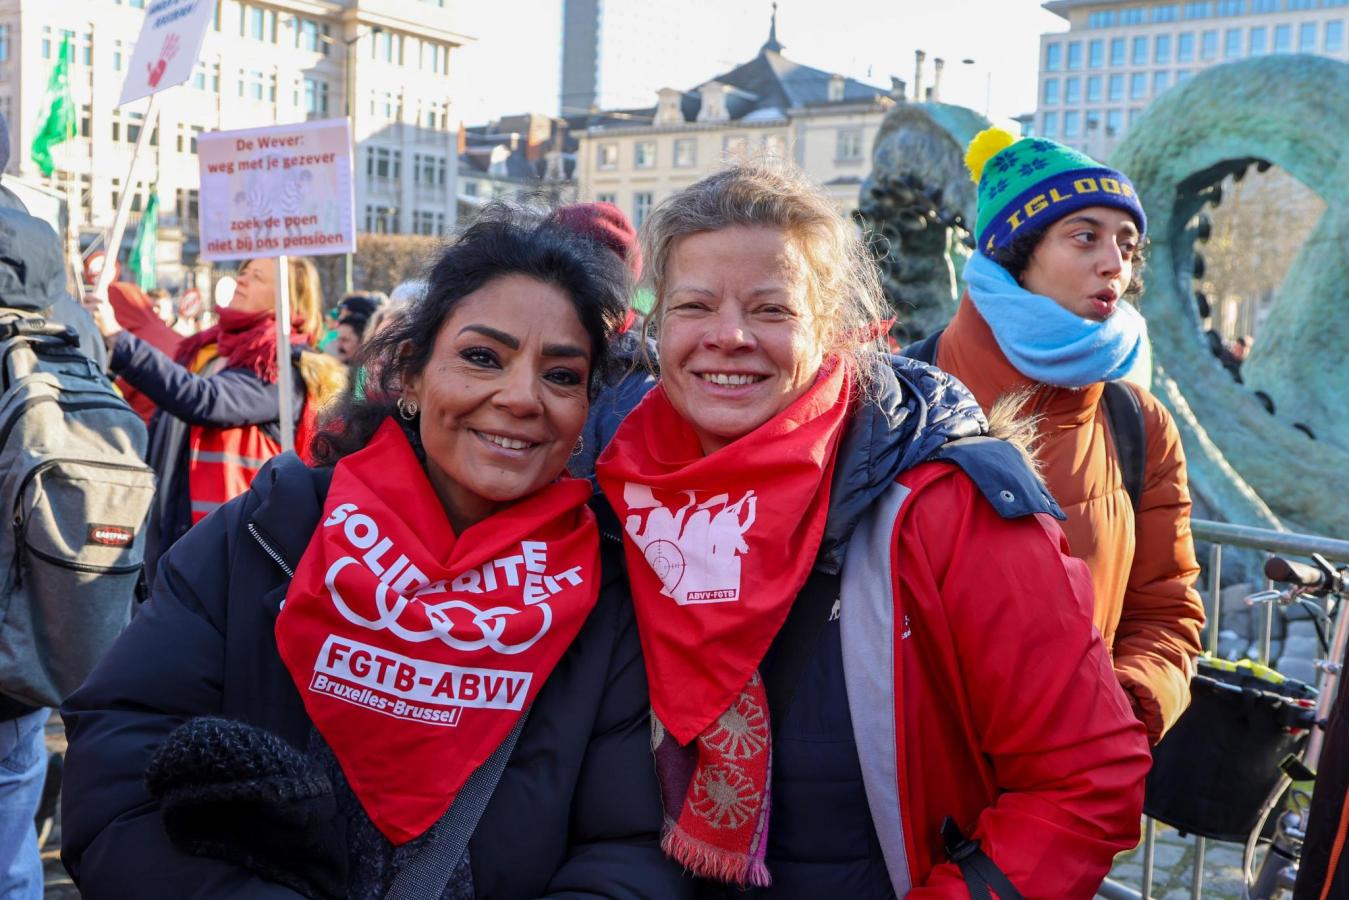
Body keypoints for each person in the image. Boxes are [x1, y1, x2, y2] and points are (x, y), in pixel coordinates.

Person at [60, 208, 692, 899]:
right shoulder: (270, 533)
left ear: (582, 419)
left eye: (562, 376)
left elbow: (628, 851)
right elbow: (118, 773)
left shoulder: (609, 592)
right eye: (482, 357)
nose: (520, 397)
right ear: (410, 378)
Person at [593, 162, 1152, 896]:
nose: (727, 336)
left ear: (830, 328)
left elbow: (1085, 780)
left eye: (771, 310)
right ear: (658, 322)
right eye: (695, 305)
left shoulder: (950, 506)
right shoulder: (609, 492)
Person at [914, 128, 1206, 746]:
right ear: (1017, 250)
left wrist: (1123, 711)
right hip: (905, 767)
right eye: (1085, 237)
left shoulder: (1139, 423)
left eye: (1127, 245)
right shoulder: (898, 396)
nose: (1114, 264)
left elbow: (1166, 611)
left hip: (1067, 771)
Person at [85, 256, 348, 583]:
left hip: (229, 548)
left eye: (257, 277)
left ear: (288, 298)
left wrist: (116, 336)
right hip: (178, 528)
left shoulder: (279, 365)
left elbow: (204, 400)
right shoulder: (211, 349)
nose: (241, 280)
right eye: (243, 272)